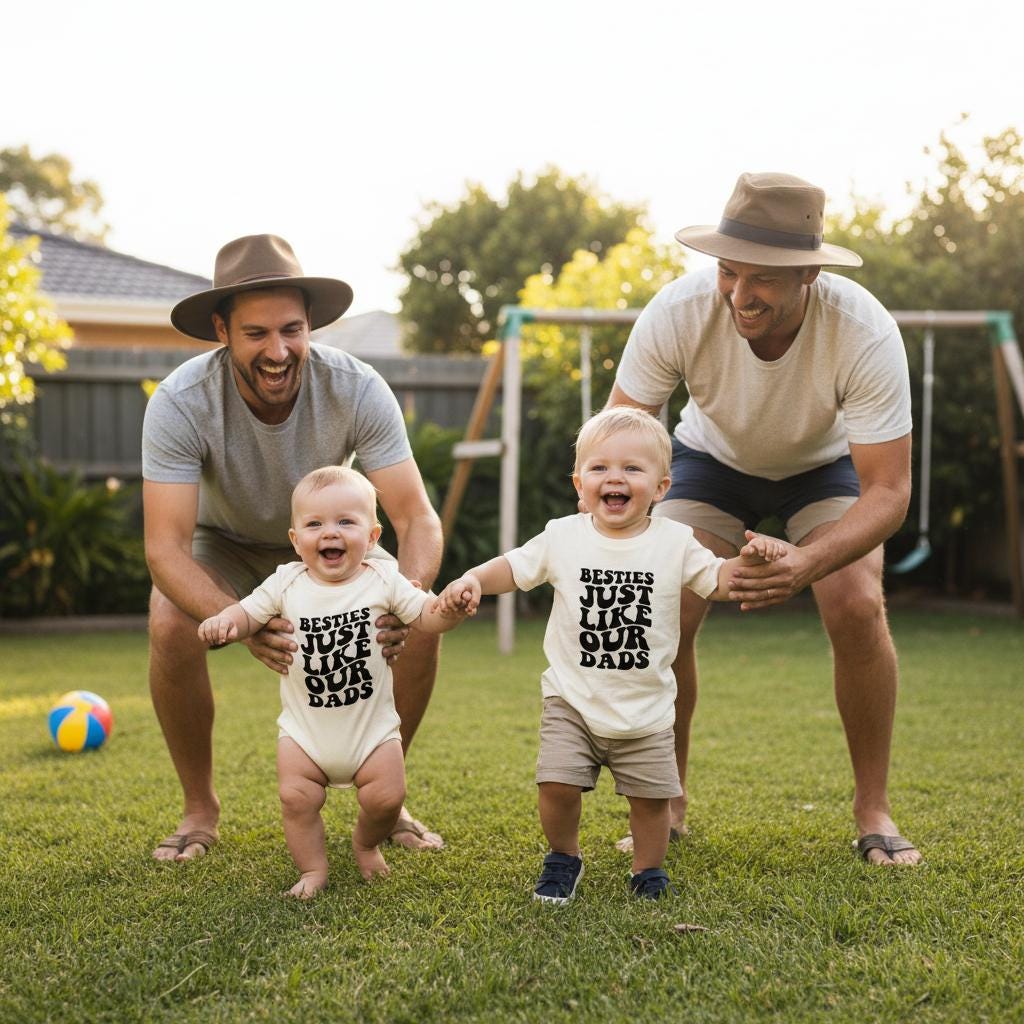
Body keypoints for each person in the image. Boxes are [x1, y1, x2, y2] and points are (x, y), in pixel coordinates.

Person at [606, 172, 921, 867]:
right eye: (728, 272)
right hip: (710, 459)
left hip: (823, 466)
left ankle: (873, 808)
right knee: (670, 600)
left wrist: (810, 564)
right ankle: (669, 799)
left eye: (764, 280)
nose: (740, 295)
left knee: (858, 603)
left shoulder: (863, 330)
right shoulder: (679, 310)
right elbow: (618, 438)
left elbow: (889, 492)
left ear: (809, 272)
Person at [143, 234, 445, 862]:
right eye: (257, 334)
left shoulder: (356, 387)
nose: (278, 352)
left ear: (310, 327)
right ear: (222, 330)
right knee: (171, 623)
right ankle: (199, 809)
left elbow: (417, 520)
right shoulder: (180, 401)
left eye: (292, 330)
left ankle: (385, 798)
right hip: (223, 544)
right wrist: (243, 621)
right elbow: (165, 550)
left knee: (423, 622)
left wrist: (403, 600)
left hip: (329, 544)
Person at [437, 407, 786, 901]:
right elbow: (514, 567)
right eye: (599, 469)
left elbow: (719, 581)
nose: (614, 478)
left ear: (661, 488)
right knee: (555, 785)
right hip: (573, 700)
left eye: (632, 469)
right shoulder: (563, 536)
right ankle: (563, 856)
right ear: (580, 485)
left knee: (651, 800)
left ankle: (647, 870)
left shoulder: (675, 541)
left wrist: (748, 560)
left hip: (645, 706)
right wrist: (473, 579)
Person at [197, 466, 465, 897]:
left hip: (372, 731)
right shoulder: (285, 583)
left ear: (373, 536)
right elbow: (247, 611)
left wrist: (448, 608)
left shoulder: (384, 580)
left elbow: (425, 615)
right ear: (295, 540)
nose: (330, 533)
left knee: (387, 797)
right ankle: (313, 870)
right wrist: (225, 622)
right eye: (315, 524)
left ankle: (364, 841)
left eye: (346, 521)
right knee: (296, 800)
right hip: (306, 733)